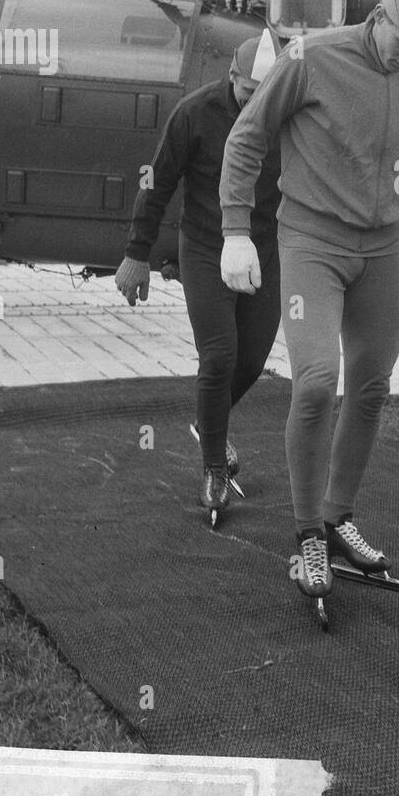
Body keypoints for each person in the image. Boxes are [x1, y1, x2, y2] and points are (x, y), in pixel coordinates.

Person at [219, 0, 399, 602]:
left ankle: (338, 517)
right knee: (315, 382)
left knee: (371, 385)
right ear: (378, 18)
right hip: (311, 240)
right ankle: (307, 528)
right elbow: (247, 137)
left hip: (379, 245)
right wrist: (235, 229)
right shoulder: (311, 57)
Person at [116, 30, 282, 521]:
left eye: (268, 96)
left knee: (252, 358)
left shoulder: (288, 113)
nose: (258, 106)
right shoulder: (195, 112)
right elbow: (157, 180)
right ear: (233, 76)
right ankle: (214, 466)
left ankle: (207, 421)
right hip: (208, 244)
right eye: (251, 94)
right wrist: (136, 254)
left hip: (264, 246)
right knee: (219, 356)